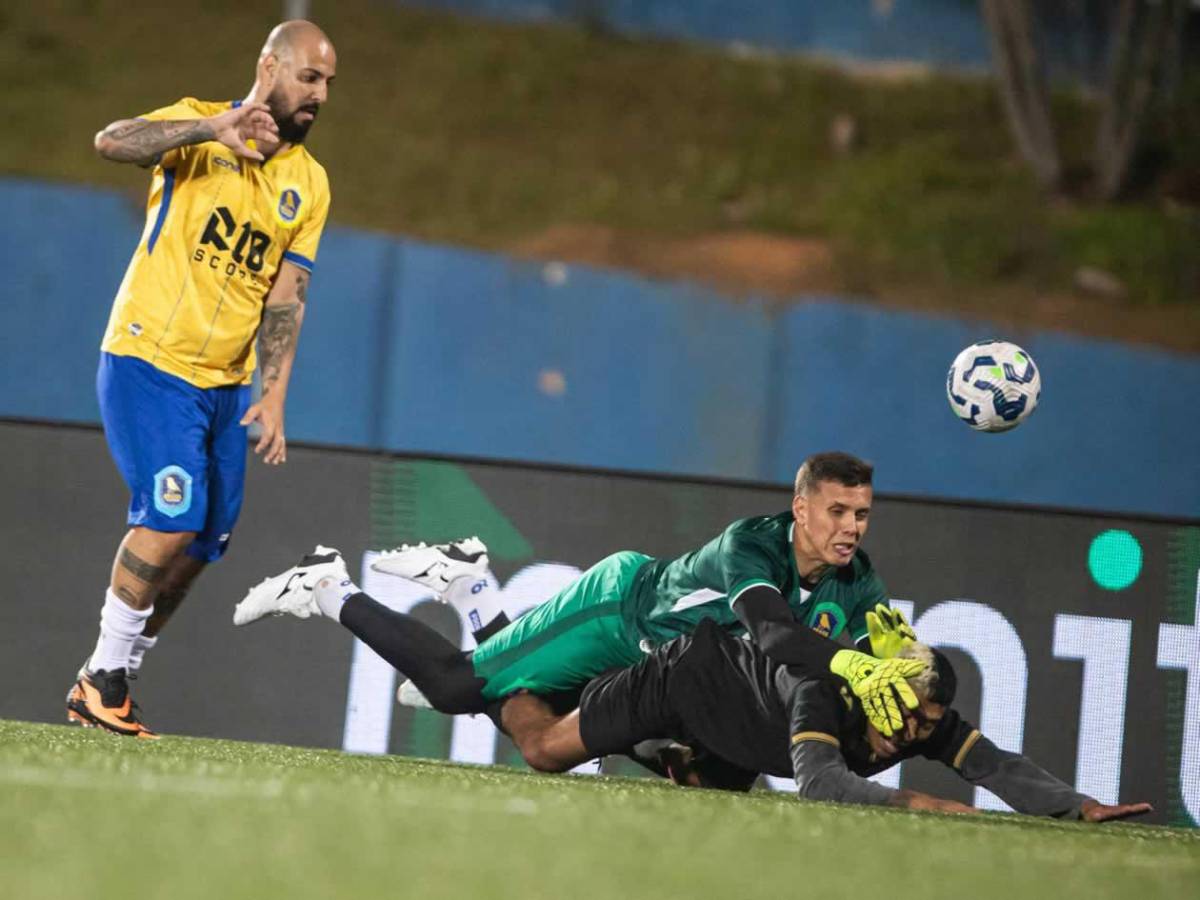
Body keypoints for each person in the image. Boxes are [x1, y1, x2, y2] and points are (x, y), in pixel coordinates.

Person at [235, 452, 926, 736]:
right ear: (801, 509)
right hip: (615, 613)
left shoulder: (858, 577)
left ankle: (471, 586)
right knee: (456, 689)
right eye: (837, 511)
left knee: (527, 714)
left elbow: (894, 652)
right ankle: (327, 584)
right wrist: (853, 665)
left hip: (656, 663)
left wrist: (906, 663)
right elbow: (773, 634)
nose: (850, 527)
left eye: (861, 515)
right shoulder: (754, 543)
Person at [66, 21, 337, 738]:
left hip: (225, 387)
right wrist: (212, 128)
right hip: (151, 359)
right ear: (269, 67)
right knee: (171, 517)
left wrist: (273, 394)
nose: (320, 94)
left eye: (328, 83)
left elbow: (287, 295)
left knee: (205, 541)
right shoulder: (197, 127)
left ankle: (114, 675)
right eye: (309, 77)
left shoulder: (309, 183)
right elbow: (112, 141)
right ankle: (101, 680)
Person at [476, 620, 1154, 821]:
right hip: (684, 681)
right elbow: (821, 783)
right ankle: (494, 681)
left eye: (927, 724)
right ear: (877, 686)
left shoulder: (921, 721)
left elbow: (994, 764)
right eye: (906, 714)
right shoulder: (824, 693)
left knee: (706, 793)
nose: (910, 733)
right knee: (542, 750)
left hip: (739, 732)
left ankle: (656, 747)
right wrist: (921, 803)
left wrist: (1076, 806)